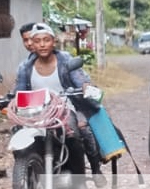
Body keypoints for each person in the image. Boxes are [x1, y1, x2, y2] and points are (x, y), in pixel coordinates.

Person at [15, 23, 103, 175]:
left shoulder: (65, 60)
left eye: (46, 40)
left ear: (53, 42)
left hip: (65, 109)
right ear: (32, 45)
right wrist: (6, 98)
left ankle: (79, 180)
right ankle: (28, 175)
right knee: (19, 136)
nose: (42, 45)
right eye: (37, 41)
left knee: (73, 134)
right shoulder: (25, 67)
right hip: (37, 113)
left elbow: (80, 79)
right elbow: (19, 91)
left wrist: (84, 86)